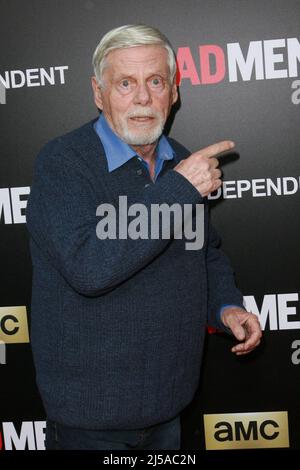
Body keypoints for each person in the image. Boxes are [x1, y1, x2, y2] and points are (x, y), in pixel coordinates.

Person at [26, 24, 262, 451]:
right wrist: (181, 190)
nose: (142, 98)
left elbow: (204, 253)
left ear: (173, 92)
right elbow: (90, 267)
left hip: (170, 407)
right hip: (90, 422)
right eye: (125, 84)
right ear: (99, 94)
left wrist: (227, 306)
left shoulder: (183, 163)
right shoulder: (63, 163)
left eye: (155, 82)